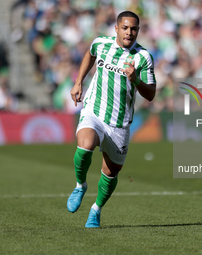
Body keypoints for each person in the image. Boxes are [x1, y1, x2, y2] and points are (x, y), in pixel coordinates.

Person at [67, 11, 156, 228]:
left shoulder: (143, 57)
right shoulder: (101, 43)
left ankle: (95, 210)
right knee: (85, 146)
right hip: (94, 111)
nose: (129, 32)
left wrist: (135, 80)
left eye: (134, 29)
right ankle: (80, 185)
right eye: (125, 28)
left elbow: (151, 93)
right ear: (116, 28)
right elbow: (90, 54)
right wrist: (79, 81)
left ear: (138, 31)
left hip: (119, 123)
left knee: (111, 172)